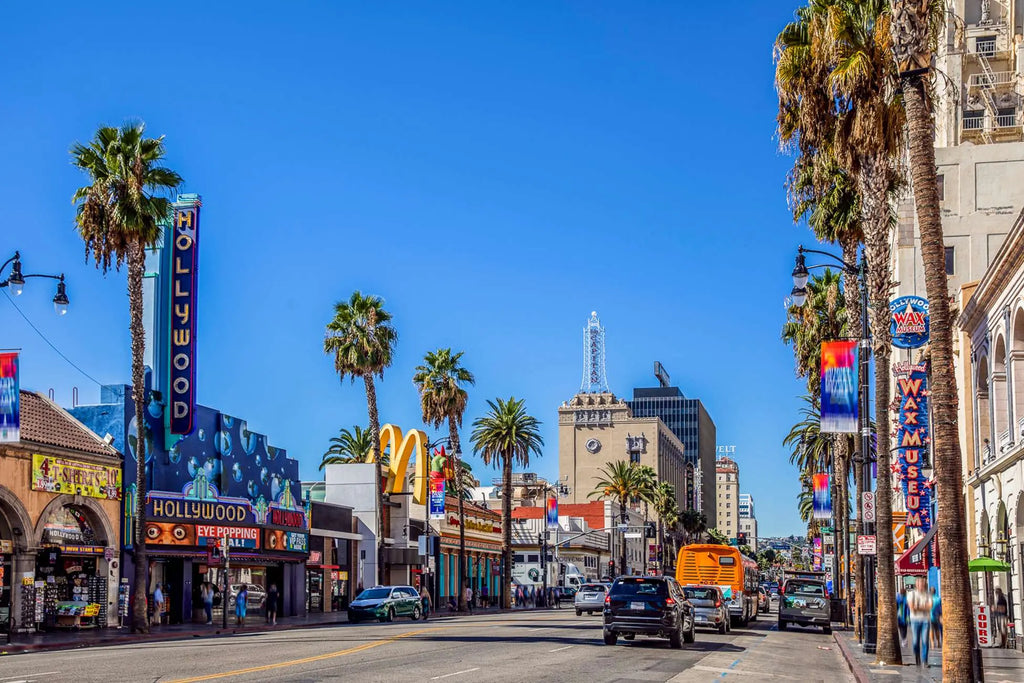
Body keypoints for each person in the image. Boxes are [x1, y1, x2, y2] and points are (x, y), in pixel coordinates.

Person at [907, 577, 934, 667]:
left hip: (925, 620)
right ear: (916, 585)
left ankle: (924, 661)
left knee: (925, 641)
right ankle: (917, 656)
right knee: (915, 641)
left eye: (923, 583)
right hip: (915, 620)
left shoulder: (928, 595)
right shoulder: (911, 594)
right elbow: (911, 607)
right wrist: (923, 607)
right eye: (919, 584)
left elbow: (930, 606)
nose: (921, 585)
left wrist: (917, 606)